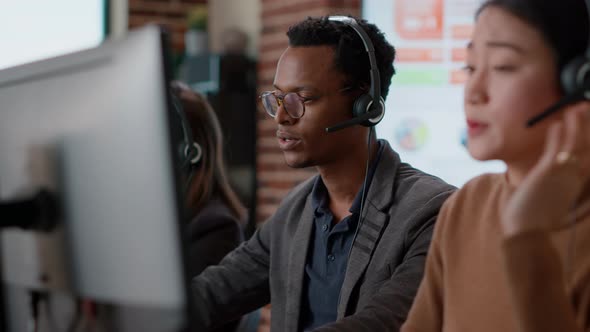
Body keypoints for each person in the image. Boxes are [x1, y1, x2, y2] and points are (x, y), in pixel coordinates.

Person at [191, 16, 455, 332]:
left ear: (365, 105)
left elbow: (384, 323)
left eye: (302, 99)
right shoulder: (297, 209)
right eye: (277, 100)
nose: (282, 118)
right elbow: (214, 293)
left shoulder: (432, 211)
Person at [401, 1, 590, 331]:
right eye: (471, 67)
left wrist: (526, 237)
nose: (473, 93)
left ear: (578, 82)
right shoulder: (467, 203)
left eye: (503, 66)